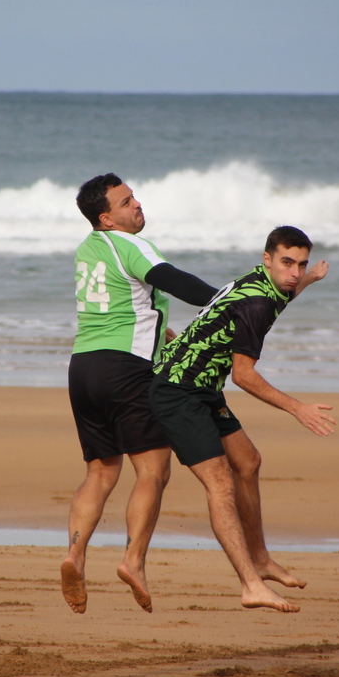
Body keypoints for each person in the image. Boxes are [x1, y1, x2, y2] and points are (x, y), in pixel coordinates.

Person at [149, 226, 336, 612]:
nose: (295, 273)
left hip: (202, 388)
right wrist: (297, 408)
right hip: (178, 391)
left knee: (248, 462)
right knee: (221, 484)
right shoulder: (257, 303)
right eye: (287, 263)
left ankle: (261, 560)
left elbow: (284, 294)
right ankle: (250, 585)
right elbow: (244, 375)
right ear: (267, 259)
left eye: (301, 265)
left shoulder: (266, 283)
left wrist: (311, 280)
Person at [62, 173, 219, 614]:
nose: (137, 204)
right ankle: (133, 561)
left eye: (134, 197)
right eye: (126, 201)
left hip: (83, 368)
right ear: (106, 218)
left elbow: (123, 304)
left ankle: (75, 555)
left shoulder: (87, 250)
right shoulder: (131, 244)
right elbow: (179, 283)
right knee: (153, 471)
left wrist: (163, 332)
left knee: (100, 472)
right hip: (126, 369)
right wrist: (231, 299)